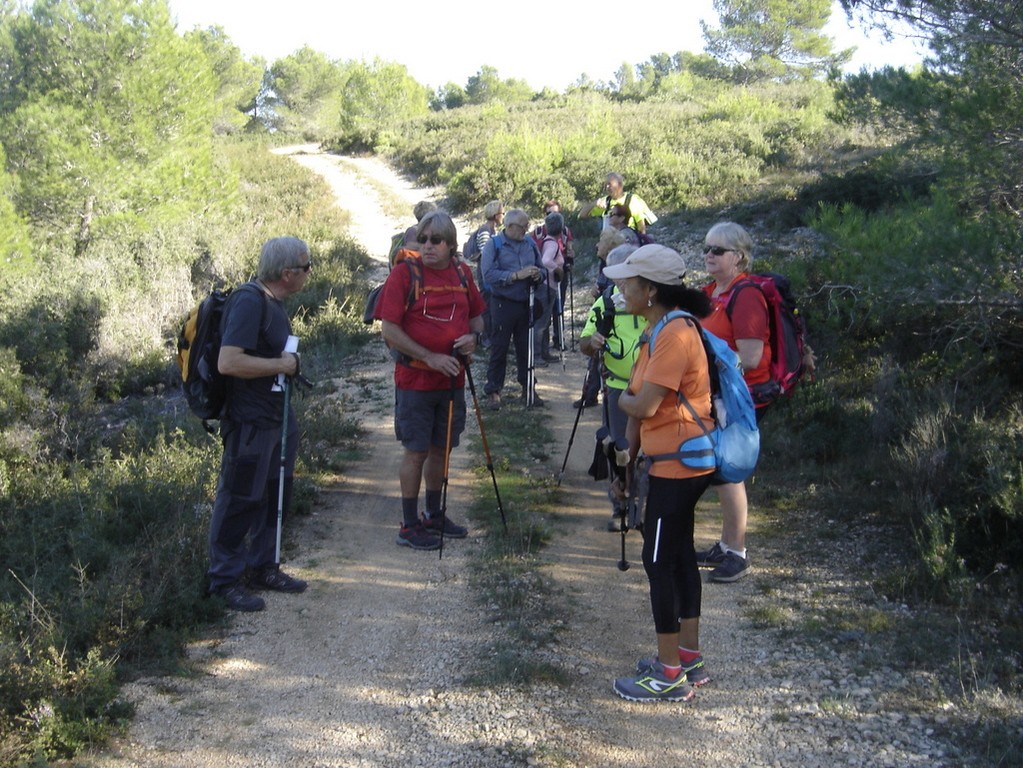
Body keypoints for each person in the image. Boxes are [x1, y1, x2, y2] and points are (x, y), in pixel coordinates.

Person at [602, 244, 716, 702]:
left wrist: (626, 403)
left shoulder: (673, 335)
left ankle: (669, 675)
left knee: (656, 560)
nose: (620, 288)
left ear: (649, 291)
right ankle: (688, 656)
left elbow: (641, 403)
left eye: (628, 282)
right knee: (680, 554)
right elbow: (641, 403)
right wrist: (627, 466)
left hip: (678, 466)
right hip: (679, 461)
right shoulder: (662, 328)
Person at [207, 236, 312, 612]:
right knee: (240, 498)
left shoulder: (273, 302)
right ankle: (224, 581)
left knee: (274, 495)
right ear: (287, 273)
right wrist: (280, 365)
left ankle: (265, 566)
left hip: (277, 418)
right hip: (250, 421)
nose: (309, 272)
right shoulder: (250, 302)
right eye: (306, 266)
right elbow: (229, 362)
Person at [376, 211, 486, 551]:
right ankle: (409, 526)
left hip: (451, 381)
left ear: (451, 246)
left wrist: (472, 339)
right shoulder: (403, 275)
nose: (427, 246)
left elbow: (477, 320)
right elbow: (389, 329)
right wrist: (430, 357)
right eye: (422, 240)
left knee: (443, 448)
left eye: (435, 240)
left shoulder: (462, 273)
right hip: (416, 382)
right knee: (416, 451)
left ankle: (434, 514)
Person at [694, 222, 770, 583]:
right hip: (719, 395)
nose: (708, 254)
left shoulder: (747, 295)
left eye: (717, 250)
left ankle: (737, 553)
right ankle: (725, 546)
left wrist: (712, 360)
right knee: (722, 470)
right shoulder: (713, 291)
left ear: (738, 257)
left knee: (729, 472)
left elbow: (751, 357)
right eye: (706, 248)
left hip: (739, 398)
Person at [578, 243, 641, 530]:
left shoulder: (654, 300)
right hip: (618, 387)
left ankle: (643, 506)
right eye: (616, 276)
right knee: (621, 449)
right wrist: (593, 343)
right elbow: (584, 344)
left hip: (653, 386)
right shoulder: (605, 303)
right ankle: (623, 506)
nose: (620, 281)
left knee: (650, 450)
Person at [481, 208, 545, 409]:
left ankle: (528, 389)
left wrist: (538, 275)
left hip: (526, 303)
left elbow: (542, 268)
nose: (526, 230)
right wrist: (516, 275)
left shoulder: (530, 244)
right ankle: (494, 391)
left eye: (527, 226)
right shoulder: (494, 245)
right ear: (509, 226)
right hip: (502, 304)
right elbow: (488, 275)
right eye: (522, 226)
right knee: (499, 347)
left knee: (525, 348)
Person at [574, 228, 628, 409]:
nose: (597, 244)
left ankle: (589, 395)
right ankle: (590, 394)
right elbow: (585, 343)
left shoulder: (612, 264)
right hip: (604, 324)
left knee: (595, 362)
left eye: (601, 241)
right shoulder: (603, 265)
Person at [533, 200, 575, 351]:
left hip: (559, 274)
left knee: (558, 307)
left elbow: (569, 249)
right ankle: (542, 348)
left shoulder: (565, 231)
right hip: (548, 276)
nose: (552, 216)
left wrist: (569, 260)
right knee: (545, 312)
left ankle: (557, 339)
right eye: (549, 213)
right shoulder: (538, 232)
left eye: (556, 213)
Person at [465, 200, 504, 348]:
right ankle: (485, 338)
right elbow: (485, 253)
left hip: (490, 272)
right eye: (502, 213)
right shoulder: (485, 231)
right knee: (486, 304)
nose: (503, 216)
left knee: (490, 303)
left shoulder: (491, 230)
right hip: (486, 273)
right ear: (495, 215)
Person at [534, 211, 567, 366]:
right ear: (561, 229)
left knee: (545, 321)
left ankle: (544, 352)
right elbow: (546, 261)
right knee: (541, 323)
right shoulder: (552, 244)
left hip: (546, 286)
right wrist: (558, 270)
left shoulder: (548, 241)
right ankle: (537, 355)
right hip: (547, 287)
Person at [579, 172, 657, 234]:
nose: (607, 187)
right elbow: (582, 215)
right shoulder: (605, 201)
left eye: (609, 184)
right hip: (609, 243)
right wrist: (594, 203)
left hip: (628, 241)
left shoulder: (632, 200)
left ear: (620, 185)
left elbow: (641, 226)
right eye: (606, 185)